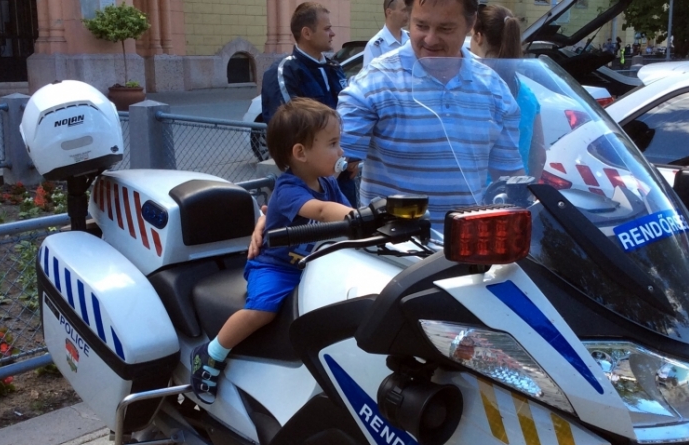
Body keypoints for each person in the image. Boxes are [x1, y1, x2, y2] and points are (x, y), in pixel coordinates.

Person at [191, 98, 353, 404]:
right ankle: (212, 353)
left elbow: (344, 214)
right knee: (263, 310)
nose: (341, 152)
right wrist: (361, 217)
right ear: (301, 153)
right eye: (333, 144)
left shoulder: (328, 184)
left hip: (310, 266)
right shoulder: (289, 190)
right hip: (276, 267)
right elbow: (323, 211)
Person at [336, 0, 525, 234]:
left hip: (465, 247)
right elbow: (329, 168)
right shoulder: (374, 82)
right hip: (391, 249)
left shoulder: (494, 89)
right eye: (421, 26)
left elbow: (509, 180)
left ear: (471, 23)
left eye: (445, 28)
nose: (430, 39)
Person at [260, 2, 358, 206]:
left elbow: (349, 115)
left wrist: (350, 156)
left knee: (349, 223)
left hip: (342, 175)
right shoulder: (286, 71)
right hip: (311, 183)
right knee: (319, 225)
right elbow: (290, 129)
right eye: (327, 28)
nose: (332, 33)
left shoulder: (334, 67)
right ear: (307, 33)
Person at [470, 4, 546, 179]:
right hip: (513, 190)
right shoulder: (527, 95)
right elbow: (540, 157)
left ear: (479, 37)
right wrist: (526, 189)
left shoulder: (473, 88)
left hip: (477, 193)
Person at [363, 0, 411, 67]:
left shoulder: (411, 39)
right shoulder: (375, 46)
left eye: (408, 10)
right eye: (403, 10)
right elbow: (370, 73)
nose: (407, 14)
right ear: (389, 12)